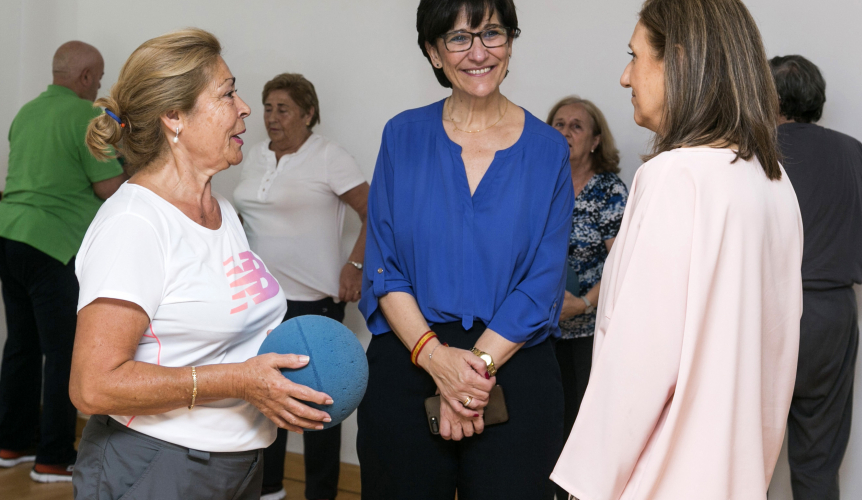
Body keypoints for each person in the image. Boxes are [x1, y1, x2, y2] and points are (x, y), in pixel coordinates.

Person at [551, 0, 805, 498]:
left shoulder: (676, 175)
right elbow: (775, 352)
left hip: (664, 476)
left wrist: (585, 484)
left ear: (680, 62)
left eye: (636, 56)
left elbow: (640, 358)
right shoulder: (773, 181)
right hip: (735, 474)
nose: (626, 77)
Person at [69, 28, 333, 499]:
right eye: (228, 93)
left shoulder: (221, 211)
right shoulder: (135, 224)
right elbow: (92, 386)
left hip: (239, 463)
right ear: (174, 117)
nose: (246, 107)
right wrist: (239, 382)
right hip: (157, 466)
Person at [356, 0, 573, 498]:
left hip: (514, 364)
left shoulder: (548, 150)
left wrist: (469, 376)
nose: (478, 51)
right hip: (410, 358)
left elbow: (542, 284)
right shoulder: (402, 135)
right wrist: (437, 361)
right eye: (458, 38)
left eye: (492, 33)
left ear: (511, 42)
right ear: (433, 52)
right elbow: (384, 267)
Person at [233, 72, 369, 500]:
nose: (272, 117)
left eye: (284, 109)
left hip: (314, 304)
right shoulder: (253, 155)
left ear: (309, 114)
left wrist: (356, 264)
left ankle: (321, 494)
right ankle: (268, 487)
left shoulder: (329, 156)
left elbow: (377, 212)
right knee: (264, 400)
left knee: (318, 404)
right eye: (268, 108)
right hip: (259, 303)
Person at [0, 40, 126, 483]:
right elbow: (110, 187)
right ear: (87, 78)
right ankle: (53, 456)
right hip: (55, 246)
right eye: (100, 76)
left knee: (20, 346)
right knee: (63, 352)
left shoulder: (26, 113)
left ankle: (11, 442)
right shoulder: (87, 117)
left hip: (10, 236)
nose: (100, 86)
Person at [769, 54, 862, 500]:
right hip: (832, 315)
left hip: (767, 311)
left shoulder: (754, 150)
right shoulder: (850, 149)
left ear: (768, 96)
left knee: (747, 450)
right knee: (818, 457)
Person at [546, 96, 627, 500]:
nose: (565, 131)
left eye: (576, 125)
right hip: (538, 330)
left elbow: (624, 261)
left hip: (589, 331)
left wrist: (586, 302)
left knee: (581, 423)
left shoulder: (610, 189)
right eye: (558, 123)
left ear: (595, 140)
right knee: (543, 423)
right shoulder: (540, 182)